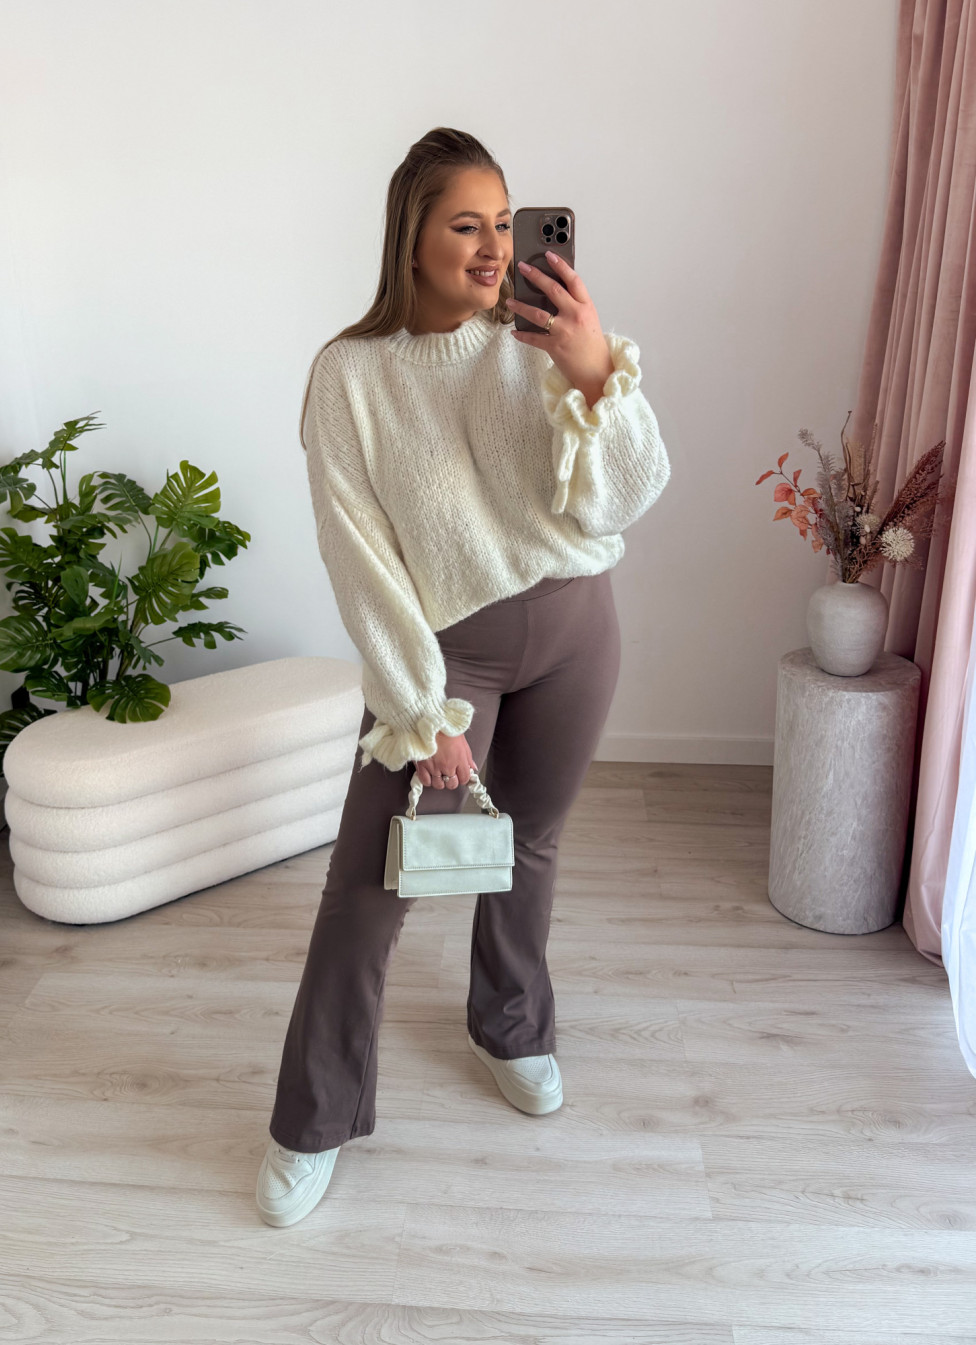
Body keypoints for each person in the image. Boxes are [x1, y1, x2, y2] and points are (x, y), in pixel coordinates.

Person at [255, 127, 671, 1227]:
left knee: (530, 841)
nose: (494, 248)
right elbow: (358, 553)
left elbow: (626, 494)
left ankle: (511, 1025)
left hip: (579, 624)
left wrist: (593, 372)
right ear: (412, 238)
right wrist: (417, 703)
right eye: (465, 226)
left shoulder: (538, 340)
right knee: (371, 883)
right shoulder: (351, 375)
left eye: (503, 224)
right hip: (455, 652)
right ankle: (313, 1116)